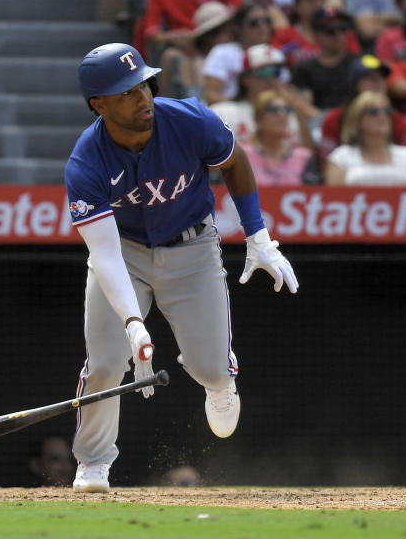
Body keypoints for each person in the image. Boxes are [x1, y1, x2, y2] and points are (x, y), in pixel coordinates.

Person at [66, 42, 298, 493]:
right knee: (107, 362)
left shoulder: (190, 119)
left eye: (143, 86)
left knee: (210, 366)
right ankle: (93, 463)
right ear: (99, 105)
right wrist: (134, 325)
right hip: (125, 254)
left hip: (192, 246)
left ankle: (219, 379)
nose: (143, 98)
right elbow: (106, 255)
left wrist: (257, 235)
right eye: (126, 92)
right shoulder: (86, 161)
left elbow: (234, 161)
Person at [318, 54, 406, 159]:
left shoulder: (397, 120)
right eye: (369, 77)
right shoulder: (334, 119)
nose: (378, 82)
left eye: (381, 77)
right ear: (354, 85)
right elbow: (326, 162)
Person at [324, 91, 406, 184]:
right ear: (358, 120)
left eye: (386, 111)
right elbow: (335, 198)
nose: (382, 117)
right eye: (373, 112)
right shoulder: (341, 157)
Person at [158, 0, 235, 98]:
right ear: (207, 36)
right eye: (222, 32)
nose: (229, 37)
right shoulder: (191, 60)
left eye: (230, 31)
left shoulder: (236, 55)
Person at [288, 6, 360, 109]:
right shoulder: (304, 70)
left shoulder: (358, 63)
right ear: (316, 35)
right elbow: (304, 108)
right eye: (330, 30)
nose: (338, 34)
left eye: (342, 28)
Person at [238, 90, 316, 185]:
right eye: (273, 109)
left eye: (287, 109)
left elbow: (312, 193)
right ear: (258, 120)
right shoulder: (241, 155)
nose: (282, 114)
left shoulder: (303, 157)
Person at [201, 2, 273, 103]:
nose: (263, 26)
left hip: (267, 112)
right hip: (228, 111)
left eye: (267, 21)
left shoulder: (275, 54)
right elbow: (211, 95)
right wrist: (241, 109)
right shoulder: (222, 53)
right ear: (239, 27)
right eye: (254, 23)